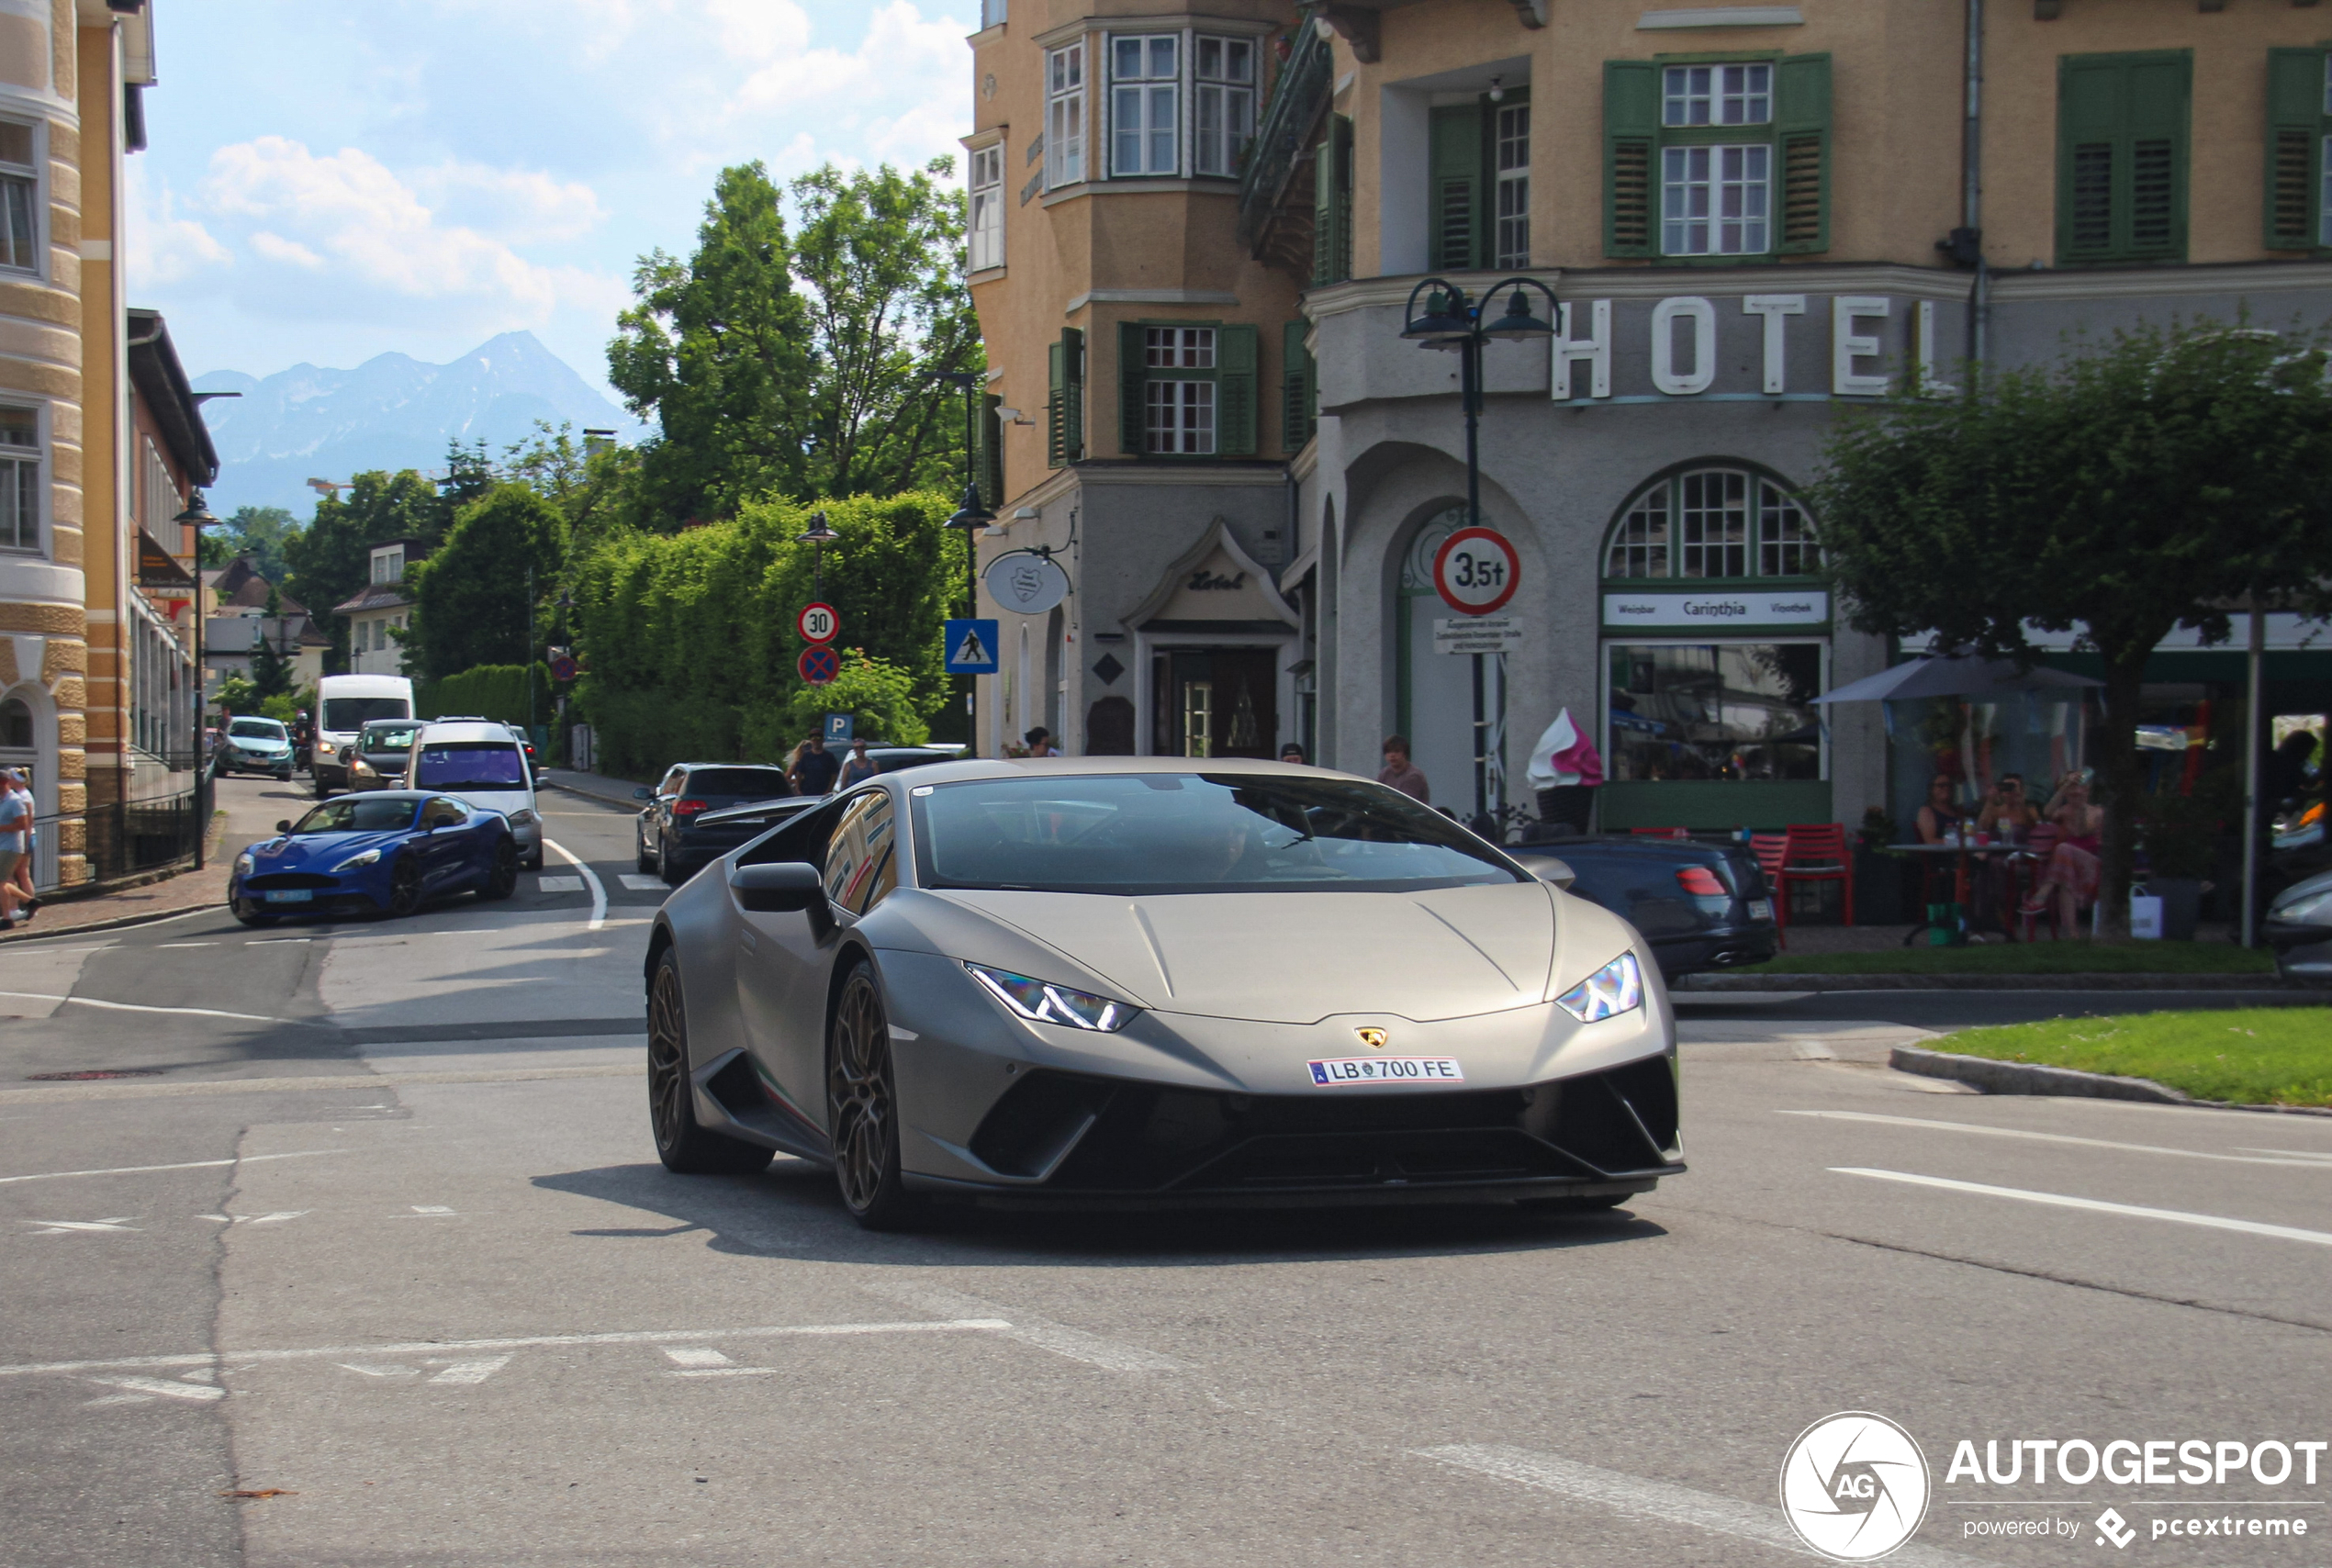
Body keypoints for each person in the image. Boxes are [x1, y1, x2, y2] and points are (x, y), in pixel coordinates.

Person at [2021, 770, 2103, 929]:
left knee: (2063, 848)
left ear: (2086, 789)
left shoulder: (2097, 812)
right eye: (2069, 788)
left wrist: (2080, 807)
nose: (2073, 791)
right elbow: (2047, 813)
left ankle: (2042, 894)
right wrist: (2062, 788)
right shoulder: (2063, 811)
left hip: (2092, 866)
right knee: (2065, 876)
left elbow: (2081, 831)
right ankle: (2072, 936)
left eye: (2076, 786)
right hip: (2068, 867)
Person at [1974, 773, 2038, 840]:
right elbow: (1981, 828)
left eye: (2012, 786)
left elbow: (2034, 826)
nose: (2009, 790)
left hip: (2022, 848)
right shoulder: (1996, 810)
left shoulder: (2030, 810)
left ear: (2021, 790)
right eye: (2006, 786)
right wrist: (1990, 801)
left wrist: (2020, 801)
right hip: (1998, 848)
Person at [0, 774, 28, 926]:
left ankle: (7, 919)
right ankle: (30, 901)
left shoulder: (15, 801)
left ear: (3, 783)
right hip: (2, 845)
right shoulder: (2, 801)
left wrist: (1, 828)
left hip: (11, 846)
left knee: (0, 882)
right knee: (3, 881)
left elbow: (22, 824)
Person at [6, 770, 34, 913]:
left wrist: (26, 841)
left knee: (10, 875)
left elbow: (27, 823)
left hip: (22, 839)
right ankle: (31, 905)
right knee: (23, 874)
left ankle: (14, 907)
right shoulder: (24, 795)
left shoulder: (21, 798)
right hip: (25, 838)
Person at [1913, 774, 1965, 844]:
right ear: (1932, 789)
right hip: (1942, 852)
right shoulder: (1926, 812)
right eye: (1941, 785)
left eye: (1949, 785)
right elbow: (1930, 841)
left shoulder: (1957, 811)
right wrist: (1957, 843)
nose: (1946, 788)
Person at [1378, 735, 1429, 803]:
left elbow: (1406, 804)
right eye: (1389, 752)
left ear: (1405, 754)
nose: (1392, 755)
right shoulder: (1384, 773)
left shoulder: (1414, 775)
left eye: (1397, 751)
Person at [790, 734, 841, 798]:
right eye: (814, 740)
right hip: (807, 792)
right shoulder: (806, 756)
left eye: (818, 739)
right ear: (811, 741)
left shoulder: (829, 756)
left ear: (822, 741)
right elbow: (799, 773)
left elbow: (834, 775)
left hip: (823, 792)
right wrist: (798, 789)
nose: (816, 742)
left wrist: (828, 790)